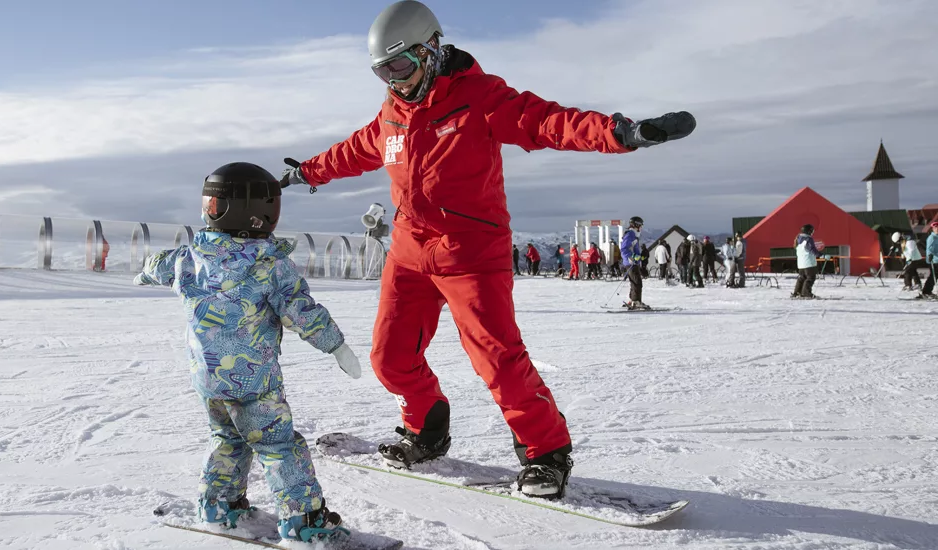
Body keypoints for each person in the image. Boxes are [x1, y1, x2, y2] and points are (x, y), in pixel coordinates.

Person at [275, 0, 695, 498]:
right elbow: (355, 149)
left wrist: (622, 133)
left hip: (471, 250)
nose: (393, 80)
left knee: (496, 358)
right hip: (410, 250)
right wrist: (307, 171)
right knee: (390, 358)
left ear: (430, 49)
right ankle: (426, 429)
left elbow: (549, 123)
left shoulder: (481, 97)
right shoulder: (393, 113)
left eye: (401, 65)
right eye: (381, 70)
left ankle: (546, 453)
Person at [133, 162, 361, 542]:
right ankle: (304, 523)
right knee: (278, 446)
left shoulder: (189, 257)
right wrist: (335, 345)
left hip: (208, 379)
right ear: (263, 211)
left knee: (228, 439)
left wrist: (143, 272)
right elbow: (302, 312)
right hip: (252, 380)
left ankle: (219, 505)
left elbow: (157, 264)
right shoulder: (269, 265)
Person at [620, 217, 649, 309]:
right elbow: (624, 249)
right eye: (640, 225)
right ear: (636, 225)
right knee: (637, 282)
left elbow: (632, 248)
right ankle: (636, 301)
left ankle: (633, 300)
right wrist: (633, 256)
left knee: (634, 282)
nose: (641, 228)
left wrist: (639, 257)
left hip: (632, 262)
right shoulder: (630, 234)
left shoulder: (634, 235)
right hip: (630, 262)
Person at [792, 224, 820, 298]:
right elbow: (812, 249)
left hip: (801, 264)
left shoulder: (798, 239)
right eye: (812, 231)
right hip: (809, 263)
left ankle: (797, 293)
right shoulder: (808, 239)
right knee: (810, 278)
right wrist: (821, 255)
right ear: (809, 231)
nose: (812, 233)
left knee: (802, 278)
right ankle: (806, 293)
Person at [920, 222, 938, 299]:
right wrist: (930, 256)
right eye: (936, 227)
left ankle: (927, 291)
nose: (937, 229)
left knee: (934, 277)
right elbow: (929, 249)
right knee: (933, 277)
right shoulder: (932, 237)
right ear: (932, 229)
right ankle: (926, 291)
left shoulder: (937, 237)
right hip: (934, 260)